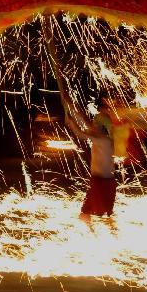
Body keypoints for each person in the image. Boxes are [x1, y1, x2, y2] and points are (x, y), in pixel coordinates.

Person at [62, 93, 117, 227]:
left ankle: (98, 233)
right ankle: (103, 233)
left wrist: (71, 124)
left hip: (102, 182)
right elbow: (84, 123)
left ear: (101, 128)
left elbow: (81, 134)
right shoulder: (101, 136)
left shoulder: (103, 140)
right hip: (103, 180)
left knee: (89, 212)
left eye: (96, 125)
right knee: (101, 212)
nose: (93, 126)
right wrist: (69, 105)